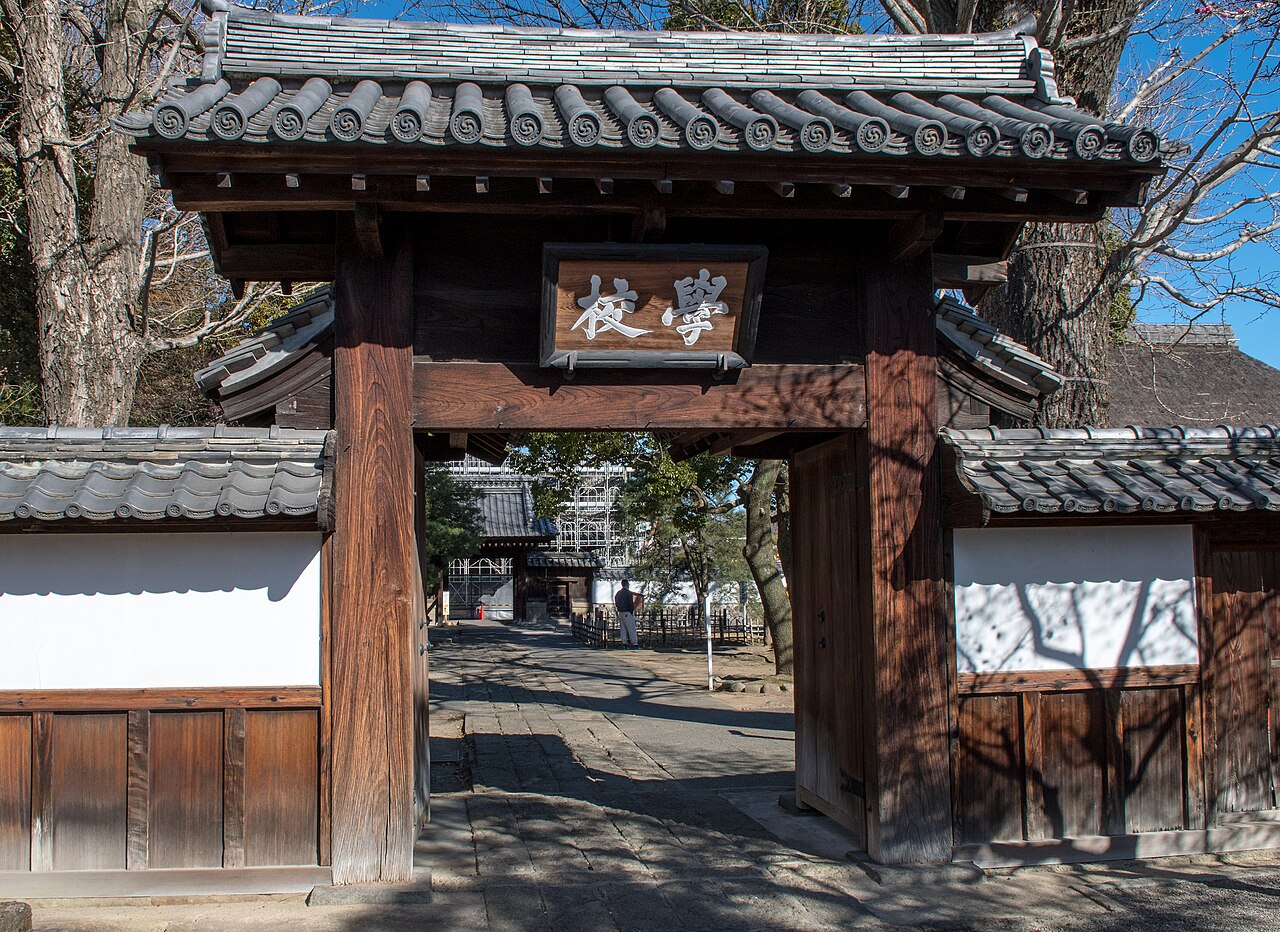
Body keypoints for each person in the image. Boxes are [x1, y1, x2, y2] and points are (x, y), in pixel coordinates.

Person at [614, 579, 639, 649]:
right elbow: (630, 603)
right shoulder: (628, 593)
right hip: (627, 612)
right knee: (631, 628)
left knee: (623, 629)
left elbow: (616, 602)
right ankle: (635, 644)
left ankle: (624, 643)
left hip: (620, 612)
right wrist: (631, 611)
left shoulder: (618, 593)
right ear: (627, 584)